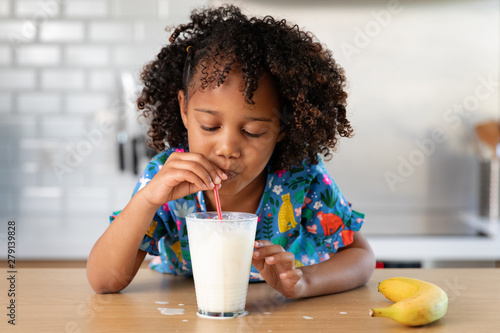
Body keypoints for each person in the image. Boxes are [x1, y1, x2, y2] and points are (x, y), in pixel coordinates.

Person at [87, 4, 375, 298]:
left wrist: (304, 282)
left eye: (253, 132)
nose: (227, 149)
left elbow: (362, 257)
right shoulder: (165, 179)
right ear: (185, 110)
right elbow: (103, 281)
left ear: (284, 125)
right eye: (210, 126)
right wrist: (146, 200)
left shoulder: (301, 179)